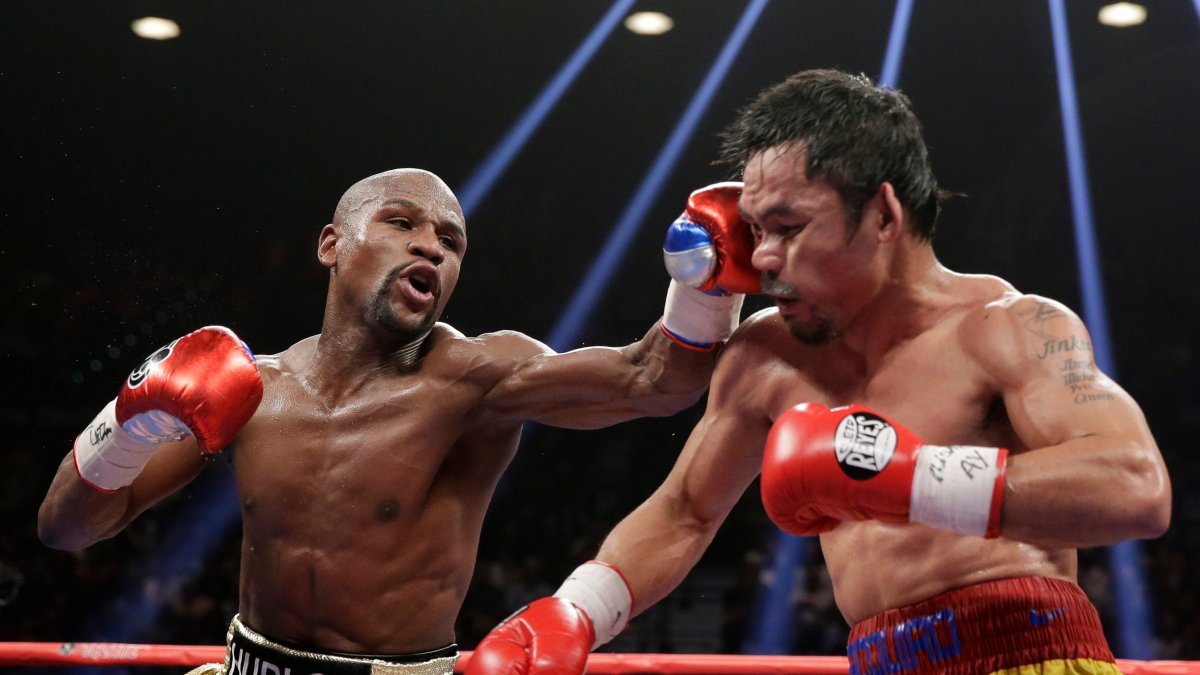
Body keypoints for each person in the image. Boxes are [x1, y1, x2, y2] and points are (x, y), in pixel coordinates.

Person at [465, 70, 1172, 675]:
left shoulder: (1007, 327)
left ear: (885, 214)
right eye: (755, 229)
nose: (762, 258)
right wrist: (577, 610)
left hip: (1030, 652)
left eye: (789, 227)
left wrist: (910, 479)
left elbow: (1135, 485)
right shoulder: (767, 355)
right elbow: (684, 512)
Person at [37, 168, 761, 675]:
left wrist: (706, 281)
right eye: (402, 222)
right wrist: (128, 424)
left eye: (451, 242)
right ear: (332, 245)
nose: (431, 247)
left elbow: (653, 380)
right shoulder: (253, 389)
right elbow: (66, 530)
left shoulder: (475, 379)